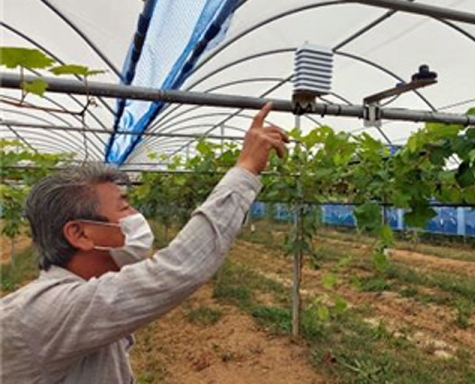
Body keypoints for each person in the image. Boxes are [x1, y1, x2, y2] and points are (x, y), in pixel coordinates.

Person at [1, 103, 288, 383]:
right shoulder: (43, 312)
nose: (137, 216)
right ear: (80, 234)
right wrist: (246, 169)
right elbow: (177, 269)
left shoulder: (76, 305)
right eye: (124, 207)